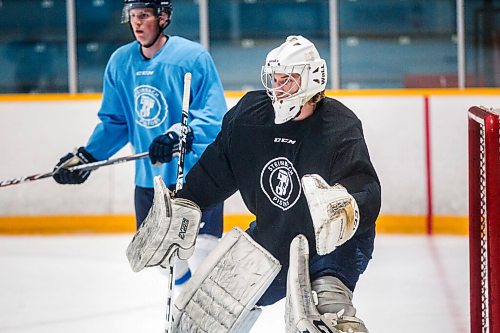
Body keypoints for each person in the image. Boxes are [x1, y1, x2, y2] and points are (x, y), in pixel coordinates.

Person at [130, 35, 380, 332]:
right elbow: (217, 167)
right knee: (205, 313)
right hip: (273, 234)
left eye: (288, 80)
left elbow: (365, 188)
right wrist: (187, 203)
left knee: (327, 314)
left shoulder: (339, 125)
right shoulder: (250, 116)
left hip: (331, 245)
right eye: (275, 79)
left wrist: (348, 207)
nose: (278, 88)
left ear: (313, 80)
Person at [52, 0, 227, 285]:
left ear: (163, 17)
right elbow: (116, 122)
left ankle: (205, 320)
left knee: (203, 250)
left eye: (144, 15)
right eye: (133, 16)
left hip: (195, 174)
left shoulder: (192, 57)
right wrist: (87, 157)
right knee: (156, 256)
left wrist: (178, 134)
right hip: (150, 179)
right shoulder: (120, 62)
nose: (136, 23)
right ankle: (186, 301)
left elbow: (214, 114)